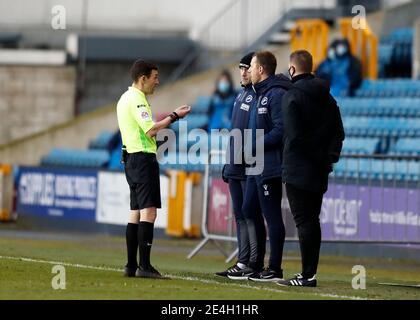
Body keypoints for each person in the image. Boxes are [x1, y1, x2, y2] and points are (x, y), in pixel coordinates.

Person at [117, 59, 191, 278]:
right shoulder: (138, 100)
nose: (157, 82)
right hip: (142, 159)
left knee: (135, 212)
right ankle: (145, 267)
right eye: (155, 77)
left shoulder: (124, 98)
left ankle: (131, 265)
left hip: (130, 158)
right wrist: (174, 116)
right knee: (149, 212)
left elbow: (129, 129)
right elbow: (149, 130)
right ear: (143, 78)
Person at [278, 50, 345, 287]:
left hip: (299, 168)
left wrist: (308, 159)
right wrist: (327, 159)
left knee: (304, 221)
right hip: (319, 170)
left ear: (293, 69)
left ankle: (307, 276)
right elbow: (339, 133)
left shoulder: (292, 96)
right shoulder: (329, 98)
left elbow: (294, 136)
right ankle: (310, 273)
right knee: (312, 221)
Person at [228, 51, 291, 282]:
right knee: (248, 209)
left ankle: (274, 268)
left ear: (261, 69)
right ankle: (254, 264)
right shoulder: (258, 93)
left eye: (251, 67)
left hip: (269, 165)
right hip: (255, 166)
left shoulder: (274, 94)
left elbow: (280, 129)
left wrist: (253, 145)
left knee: (271, 216)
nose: (248, 71)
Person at [215, 52, 256, 277]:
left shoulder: (258, 96)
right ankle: (242, 261)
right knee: (239, 214)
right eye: (241, 68)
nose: (243, 72)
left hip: (248, 165)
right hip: (235, 164)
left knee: (250, 214)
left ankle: (252, 262)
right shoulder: (240, 95)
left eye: (247, 68)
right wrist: (228, 162)